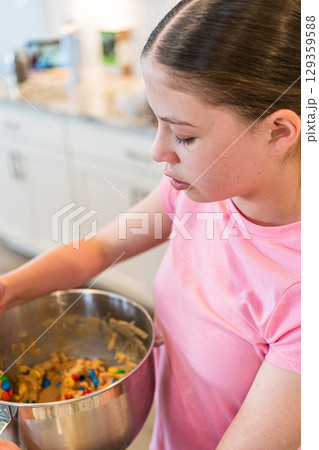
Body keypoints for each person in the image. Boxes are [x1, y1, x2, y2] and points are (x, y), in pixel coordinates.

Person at [0, 0, 301, 448]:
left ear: (278, 132)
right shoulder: (202, 191)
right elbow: (100, 249)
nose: (159, 151)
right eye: (155, 121)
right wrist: (6, 291)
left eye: (184, 134)